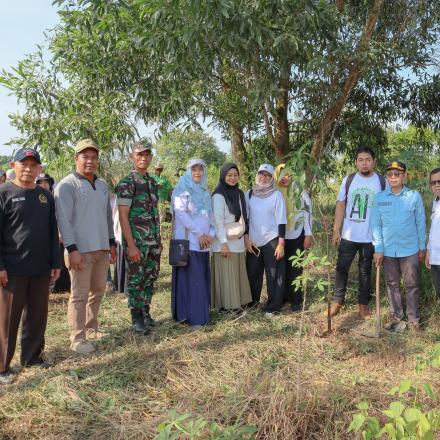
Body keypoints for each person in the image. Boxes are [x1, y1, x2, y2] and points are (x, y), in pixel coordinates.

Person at [0, 148, 61, 385]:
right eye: (23, 164)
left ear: (39, 168)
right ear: (14, 165)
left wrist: (55, 262)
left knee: (37, 316)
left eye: (33, 165)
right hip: (11, 270)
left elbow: (51, 231)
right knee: (7, 320)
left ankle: (32, 357)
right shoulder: (4, 193)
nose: (28, 169)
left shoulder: (44, 196)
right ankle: (3, 367)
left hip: (40, 268)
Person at [55, 139, 117, 354]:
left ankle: (92, 327)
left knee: (98, 290)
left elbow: (108, 216)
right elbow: (63, 220)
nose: (90, 161)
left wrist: (111, 243)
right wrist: (72, 249)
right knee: (79, 295)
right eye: (85, 157)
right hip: (79, 251)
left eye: (93, 157)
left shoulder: (102, 185)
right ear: (76, 159)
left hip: (101, 249)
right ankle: (77, 338)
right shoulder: (66, 185)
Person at [330, 146, 386, 319]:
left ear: (374, 161)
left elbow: (386, 209)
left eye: (367, 159)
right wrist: (336, 230)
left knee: (365, 270)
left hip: (370, 237)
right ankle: (338, 300)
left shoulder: (382, 182)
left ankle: (363, 303)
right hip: (349, 235)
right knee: (342, 268)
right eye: (360, 160)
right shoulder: (349, 180)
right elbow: (341, 204)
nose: (364, 163)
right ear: (356, 162)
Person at [372, 161, 426, 332]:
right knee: (392, 284)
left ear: (404, 176)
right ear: (387, 177)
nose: (393, 177)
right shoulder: (379, 198)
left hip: (410, 249)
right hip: (387, 251)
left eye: (397, 174)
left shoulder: (414, 196)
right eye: (390, 174)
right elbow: (376, 225)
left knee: (412, 284)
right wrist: (378, 248)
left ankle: (413, 319)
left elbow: (420, 222)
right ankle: (396, 316)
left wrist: (422, 247)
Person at [115, 141, 161, 334]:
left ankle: (145, 311)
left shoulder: (152, 182)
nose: (143, 158)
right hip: (137, 242)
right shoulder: (127, 183)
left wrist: (158, 240)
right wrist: (131, 245)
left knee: (150, 278)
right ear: (131, 157)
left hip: (153, 241)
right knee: (136, 280)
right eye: (139, 155)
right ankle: (136, 318)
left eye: (147, 155)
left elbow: (155, 212)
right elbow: (123, 216)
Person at [171, 159, 215, 327]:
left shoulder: (205, 191)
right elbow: (181, 214)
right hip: (190, 243)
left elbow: (210, 216)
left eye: (200, 169)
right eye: (194, 169)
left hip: (204, 244)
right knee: (192, 280)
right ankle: (192, 317)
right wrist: (200, 234)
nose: (198, 172)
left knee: (200, 279)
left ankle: (201, 315)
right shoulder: (182, 189)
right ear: (189, 171)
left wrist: (211, 234)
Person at [245, 164, 287, 317]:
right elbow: (246, 218)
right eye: (260, 174)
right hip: (253, 241)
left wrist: (281, 243)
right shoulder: (249, 194)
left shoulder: (276, 195)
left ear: (271, 178)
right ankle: (252, 303)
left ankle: (273, 307)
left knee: (274, 275)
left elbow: (281, 220)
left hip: (272, 240)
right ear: (257, 176)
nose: (263, 178)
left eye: (267, 175)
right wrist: (246, 239)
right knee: (252, 274)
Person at [211, 163, 252, 312]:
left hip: (238, 241)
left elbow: (244, 218)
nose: (232, 178)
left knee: (236, 274)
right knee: (227, 275)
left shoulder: (239, 194)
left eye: (235, 175)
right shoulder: (218, 195)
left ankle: (237, 304)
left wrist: (246, 237)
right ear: (223, 176)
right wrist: (223, 243)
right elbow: (217, 222)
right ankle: (227, 307)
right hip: (224, 243)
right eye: (229, 175)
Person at [274, 164, 313, 312]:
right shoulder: (274, 192)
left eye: (287, 174)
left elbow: (307, 213)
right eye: (281, 175)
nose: (284, 178)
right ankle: (283, 297)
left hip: (297, 234)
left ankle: (296, 299)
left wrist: (308, 234)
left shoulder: (300, 191)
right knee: (281, 268)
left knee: (295, 268)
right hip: (279, 237)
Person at [426, 168, 440, 297]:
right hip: (435, 258)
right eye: (433, 182)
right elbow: (433, 229)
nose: (437, 185)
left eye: (439, 181)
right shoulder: (435, 202)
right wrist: (428, 251)